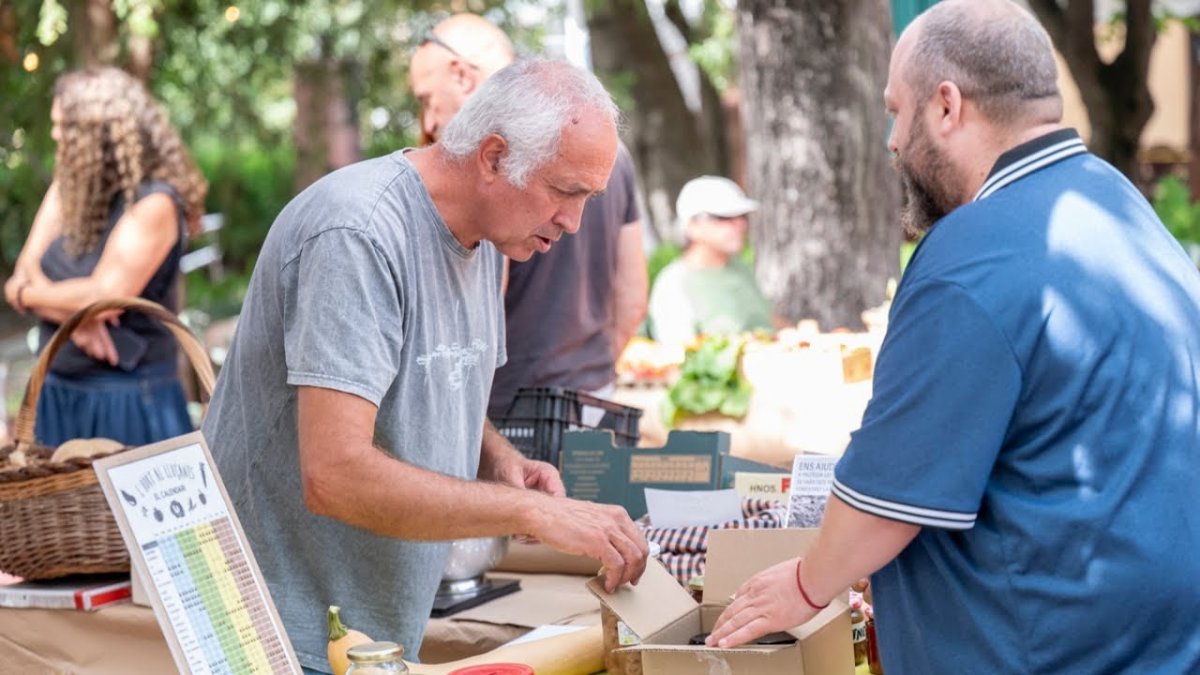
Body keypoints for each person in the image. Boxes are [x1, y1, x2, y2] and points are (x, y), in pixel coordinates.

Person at [707, 1, 1200, 672]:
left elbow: (886, 498)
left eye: (896, 110)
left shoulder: (971, 252)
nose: (890, 139)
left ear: (946, 106)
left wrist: (802, 584)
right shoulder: (1116, 201)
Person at [202, 59, 649, 674]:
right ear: (493, 157)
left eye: (587, 200)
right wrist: (532, 512)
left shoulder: (492, 242)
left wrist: (501, 462)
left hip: (365, 631)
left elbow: (440, 381)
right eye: (565, 192)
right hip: (276, 637)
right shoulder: (356, 233)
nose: (573, 223)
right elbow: (333, 473)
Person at [410, 14, 648, 418]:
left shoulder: (488, 173)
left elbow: (473, 310)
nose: (429, 121)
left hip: (506, 410)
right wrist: (589, 370)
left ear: (462, 76)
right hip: (597, 396)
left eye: (427, 99)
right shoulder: (610, 153)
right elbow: (632, 295)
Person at [3, 67, 207, 447]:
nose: (55, 135)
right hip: (58, 391)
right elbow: (24, 268)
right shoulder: (70, 186)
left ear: (100, 133)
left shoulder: (155, 201)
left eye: (65, 126)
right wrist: (78, 320)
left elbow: (102, 297)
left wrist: (29, 298)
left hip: (126, 399)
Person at [647, 175, 780, 346]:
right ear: (692, 226)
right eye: (723, 217)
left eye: (742, 216)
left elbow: (770, 321)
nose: (739, 225)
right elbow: (681, 355)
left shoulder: (739, 267)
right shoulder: (673, 283)